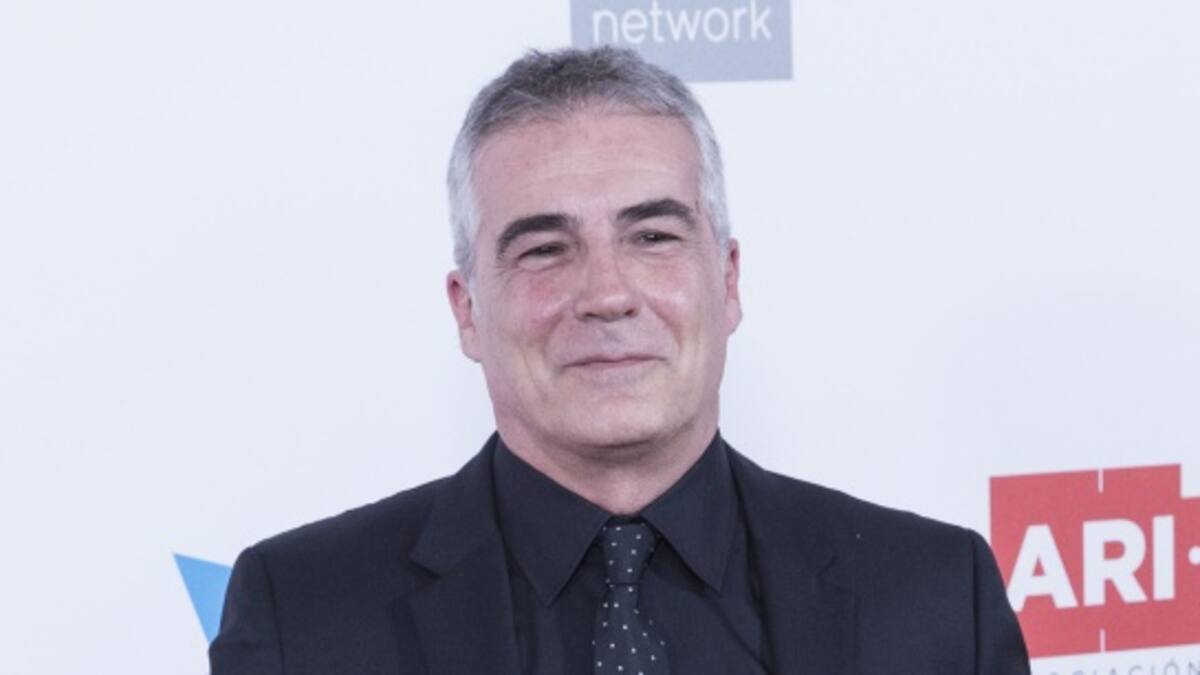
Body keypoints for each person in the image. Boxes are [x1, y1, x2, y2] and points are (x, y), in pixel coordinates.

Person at [209, 46, 1030, 674]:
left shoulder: (935, 598)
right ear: (467, 310)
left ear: (728, 281)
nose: (607, 294)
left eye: (653, 236)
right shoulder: (302, 617)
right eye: (543, 248)